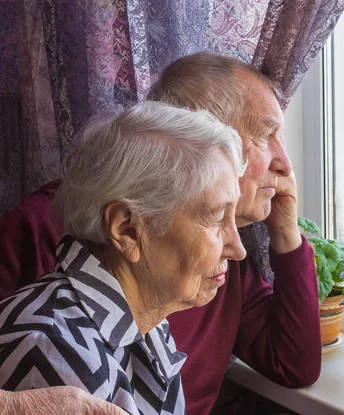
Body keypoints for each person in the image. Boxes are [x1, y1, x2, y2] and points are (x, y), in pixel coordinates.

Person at [0, 52, 322, 414]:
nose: (238, 249)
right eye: (264, 134)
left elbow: (293, 363)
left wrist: (287, 235)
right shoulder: (55, 345)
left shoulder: (149, 318)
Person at [0, 101, 247, 414]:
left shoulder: (143, 324)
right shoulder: (53, 349)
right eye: (214, 218)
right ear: (127, 229)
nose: (238, 248)